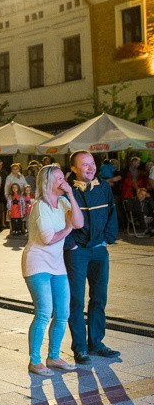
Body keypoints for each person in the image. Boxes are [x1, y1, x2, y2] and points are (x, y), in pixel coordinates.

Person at [22, 164, 84, 376]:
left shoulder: (64, 202)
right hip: (37, 262)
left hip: (57, 265)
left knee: (62, 313)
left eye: (63, 178)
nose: (63, 181)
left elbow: (79, 222)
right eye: (59, 179)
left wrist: (72, 196)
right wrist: (67, 228)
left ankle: (54, 356)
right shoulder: (40, 206)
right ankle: (35, 360)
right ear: (48, 182)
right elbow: (48, 239)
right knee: (44, 312)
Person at [64, 150, 120, 363]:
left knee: (99, 298)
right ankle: (80, 347)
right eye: (85, 165)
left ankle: (96, 343)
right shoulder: (67, 191)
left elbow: (112, 214)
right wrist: (71, 246)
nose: (90, 168)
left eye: (92, 164)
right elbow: (61, 219)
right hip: (77, 251)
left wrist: (107, 239)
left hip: (99, 250)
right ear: (74, 168)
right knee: (76, 300)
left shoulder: (103, 187)